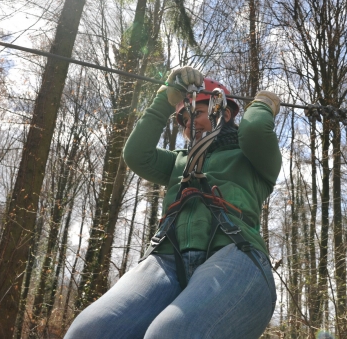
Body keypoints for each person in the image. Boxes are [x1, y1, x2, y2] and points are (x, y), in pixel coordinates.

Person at [65, 66, 282, 339]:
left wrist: (262, 104)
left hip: (237, 254)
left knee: (170, 333)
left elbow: (253, 131)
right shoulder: (178, 161)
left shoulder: (251, 157)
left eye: (198, 113)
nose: (189, 123)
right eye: (183, 118)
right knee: (88, 332)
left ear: (223, 113)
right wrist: (164, 99)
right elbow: (136, 154)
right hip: (167, 258)